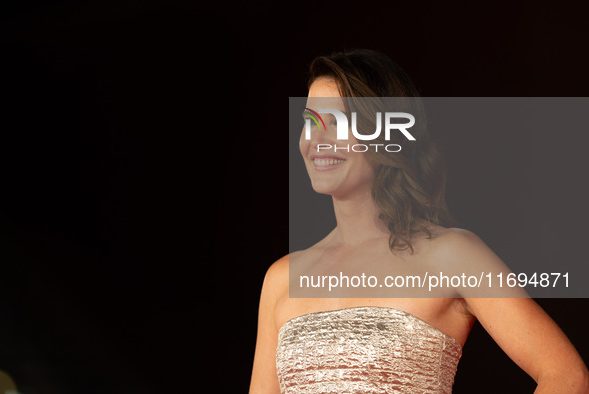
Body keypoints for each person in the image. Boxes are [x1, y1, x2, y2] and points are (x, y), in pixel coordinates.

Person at [249, 49, 589, 393]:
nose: (317, 140)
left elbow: (566, 376)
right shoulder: (282, 279)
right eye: (310, 121)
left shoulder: (452, 255)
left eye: (339, 122)